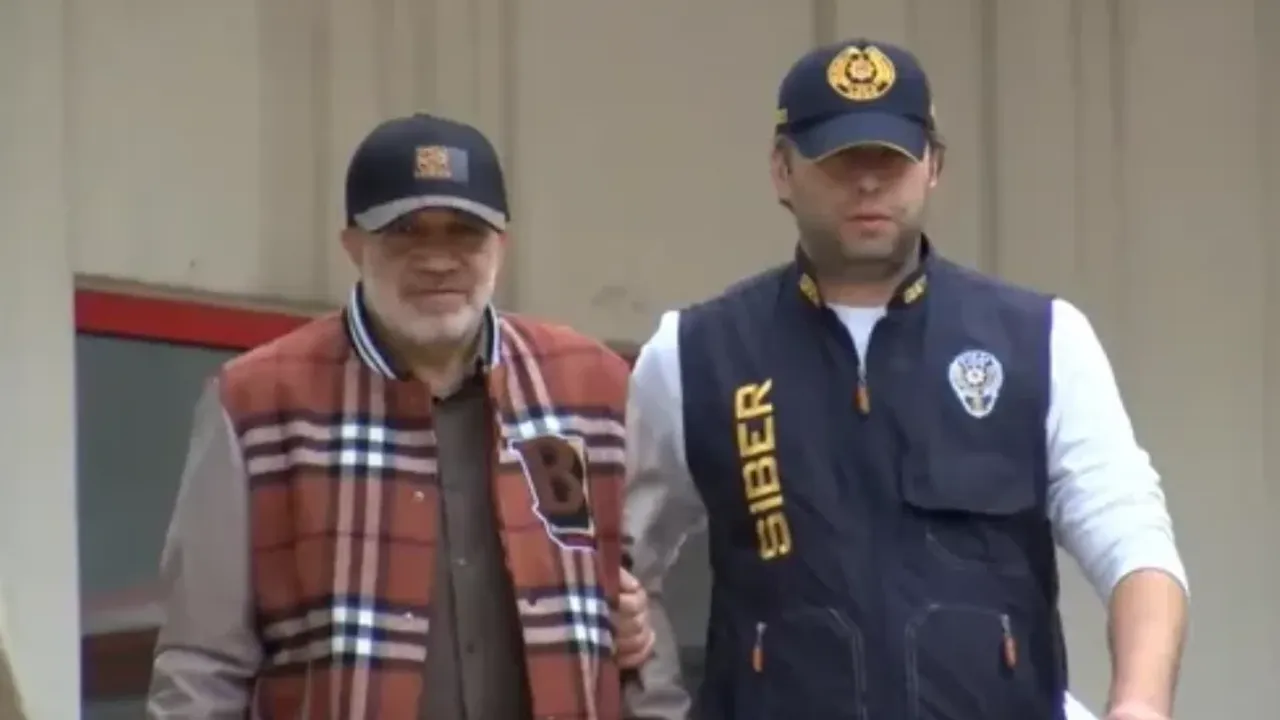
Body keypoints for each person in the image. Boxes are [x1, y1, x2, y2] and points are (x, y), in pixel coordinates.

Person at [622, 39, 1188, 720]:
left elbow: (1135, 543)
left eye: (890, 159)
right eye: (841, 159)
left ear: (933, 167)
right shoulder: (693, 355)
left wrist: (1139, 704)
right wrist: (660, 710)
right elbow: (620, 571)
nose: (868, 183)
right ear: (782, 170)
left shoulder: (1041, 340)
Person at [147, 112, 655, 719]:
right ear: (353, 245)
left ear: (502, 245)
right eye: (406, 232)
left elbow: (647, 645)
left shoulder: (592, 388)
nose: (437, 260)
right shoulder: (256, 403)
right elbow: (202, 666)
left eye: (464, 233)